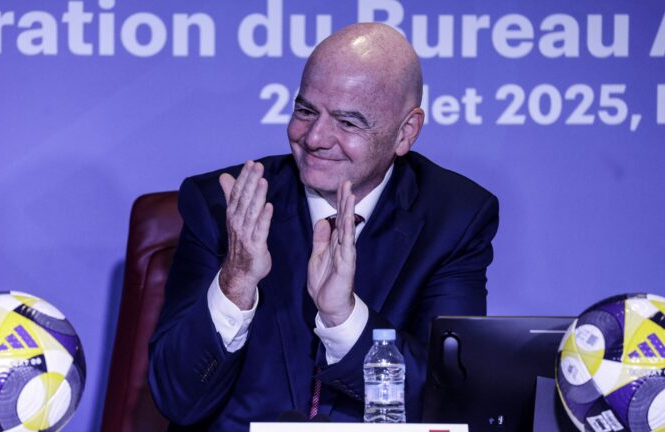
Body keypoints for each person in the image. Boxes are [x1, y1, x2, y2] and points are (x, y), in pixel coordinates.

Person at [148, 22, 499, 430]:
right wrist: (236, 282)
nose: (315, 137)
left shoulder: (454, 217)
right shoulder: (222, 204)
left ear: (406, 132)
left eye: (347, 122)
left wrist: (344, 318)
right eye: (306, 111)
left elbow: (449, 400)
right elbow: (176, 399)